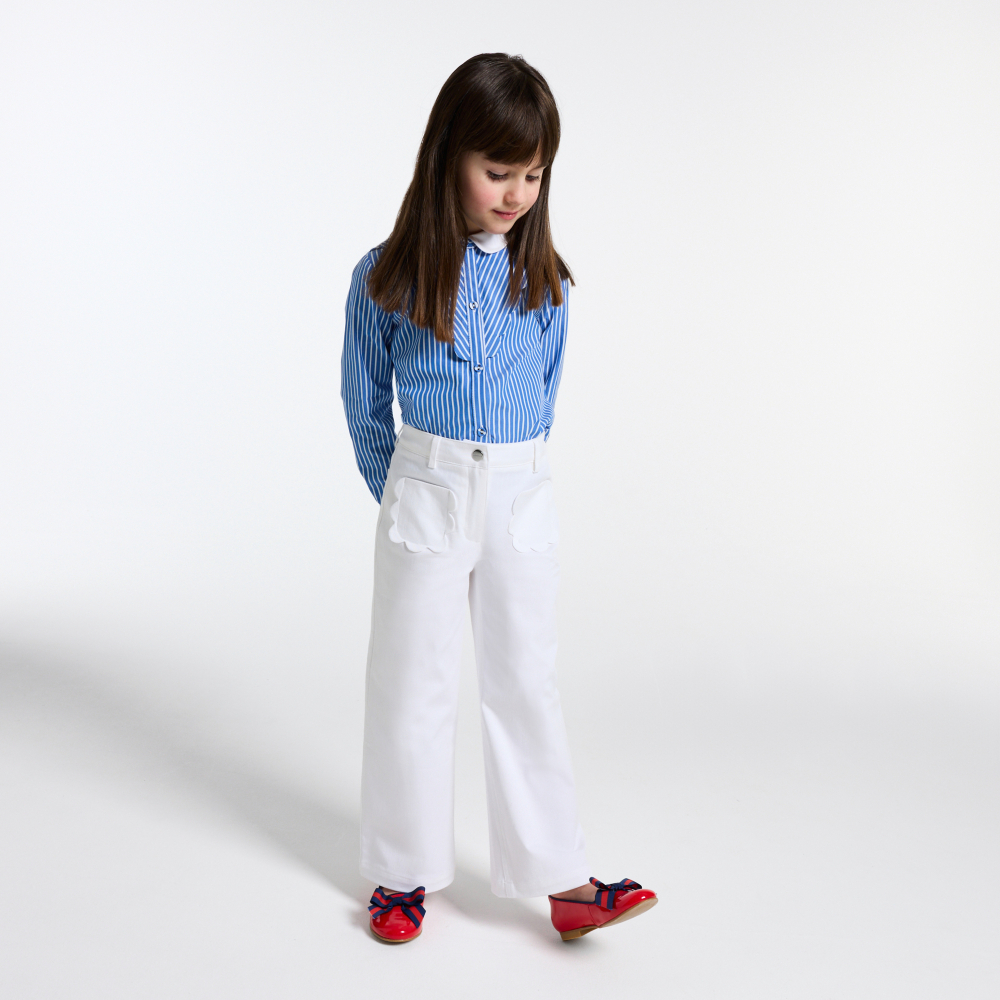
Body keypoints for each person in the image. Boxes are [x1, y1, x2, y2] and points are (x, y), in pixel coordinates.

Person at [341, 52, 657, 943]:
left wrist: (507, 478)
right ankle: (401, 872)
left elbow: (544, 400)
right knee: (413, 681)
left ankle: (562, 879)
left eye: (533, 175)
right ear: (450, 157)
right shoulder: (386, 275)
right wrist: (407, 489)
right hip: (427, 488)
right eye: (497, 171)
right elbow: (363, 403)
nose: (516, 193)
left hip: (520, 493)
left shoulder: (545, 282)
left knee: (526, 680)